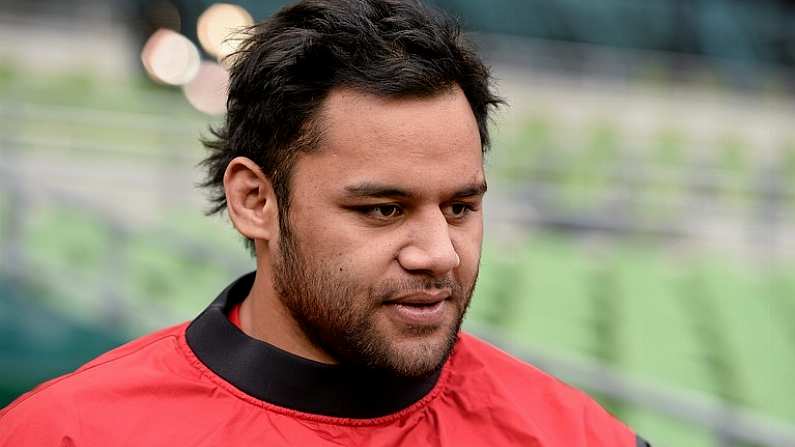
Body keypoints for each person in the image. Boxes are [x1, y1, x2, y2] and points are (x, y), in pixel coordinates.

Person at [1, 0, 651, 445]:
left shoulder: (574, 433)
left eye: (460, 206)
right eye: (382, 209)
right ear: (255, 200)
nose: (438, 253)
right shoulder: (67, 432)